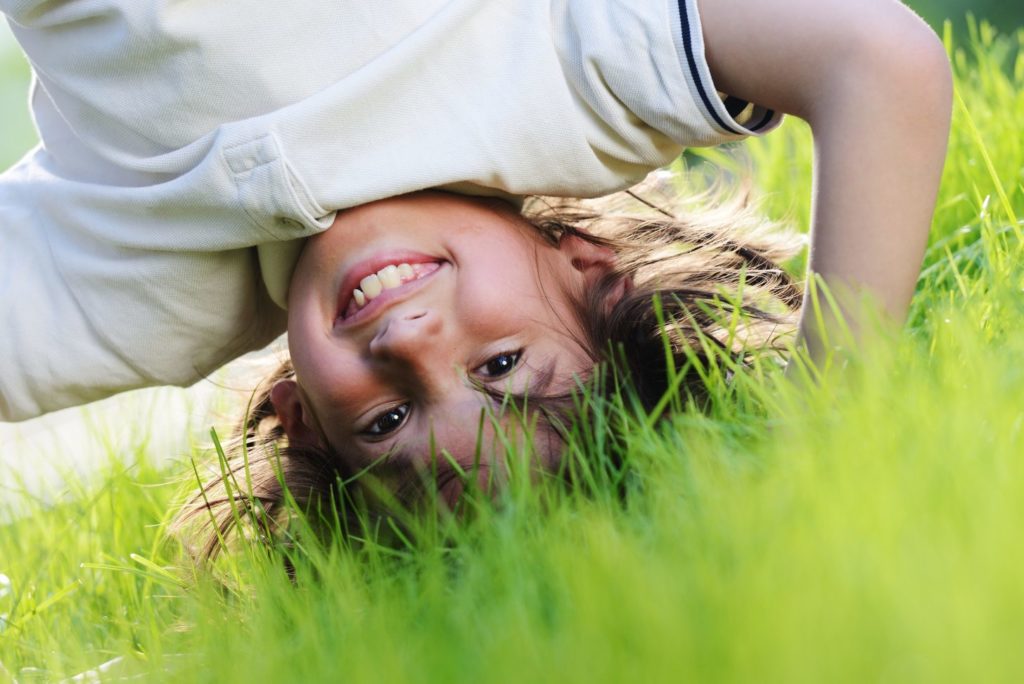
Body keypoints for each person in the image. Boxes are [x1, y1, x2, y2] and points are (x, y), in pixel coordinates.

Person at [0, 0, 951, 543]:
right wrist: (825, 427)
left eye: (386, 421)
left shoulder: (144, 296)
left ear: (302, 419)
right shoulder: (569, 92)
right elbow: (877, 60)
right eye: (501, 367)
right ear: (590, 270)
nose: (411, 346)